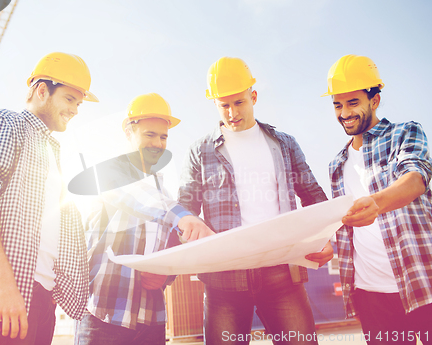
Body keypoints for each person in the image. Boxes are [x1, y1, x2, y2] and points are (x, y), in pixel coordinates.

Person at [0, 52, 99, 345]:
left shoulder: (51, 152)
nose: (76, 110)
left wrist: (49, 295)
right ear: (42, 90)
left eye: (79, 103)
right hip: (2, 298)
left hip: (38, 299)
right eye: (69, 99)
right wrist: (4, 284)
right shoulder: (5, 123)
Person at [178, 57, 333, 345]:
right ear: (214, 104)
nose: (232, 112)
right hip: (224, 279)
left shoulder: (284, 144)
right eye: (224, 105)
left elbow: (313, 194)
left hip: (282, 275)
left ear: (254, 96)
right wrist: (187, 219)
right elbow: (185, 205)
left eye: (239, 102)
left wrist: (325, 236)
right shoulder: (200, 151)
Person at [74, 93, 215, 345]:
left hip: (150, 321)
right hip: (104, 316)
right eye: (150, 134)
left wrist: (165, 275)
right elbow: (139, 198)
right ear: (129, 132)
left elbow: (170, 248)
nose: (158, 143)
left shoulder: (163, 191)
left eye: (163, 137)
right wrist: (185, 218)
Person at [324, 54, 432, 345]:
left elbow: (416, 177)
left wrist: (377, 203)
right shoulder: (337, 164)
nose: (344, 112)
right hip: (370, 295)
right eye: (337, 104)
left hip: (422, 283)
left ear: (375, 100)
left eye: (353, 102)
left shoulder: (405, 132)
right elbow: (344, 227)